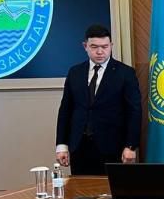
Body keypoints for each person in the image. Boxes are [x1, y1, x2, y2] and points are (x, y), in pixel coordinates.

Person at [55, 24, 142, 175]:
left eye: (105, 46)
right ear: (85, 46)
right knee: (80, 189)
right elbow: (65, 110)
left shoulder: (125, 73)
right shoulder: (75, 72)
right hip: (79, 146)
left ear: (111, 46)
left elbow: (134, 111)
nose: (100, 51)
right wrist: (61, 144)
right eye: (94, 47)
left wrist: (131, 146)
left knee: (111, 188)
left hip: (113, 147)